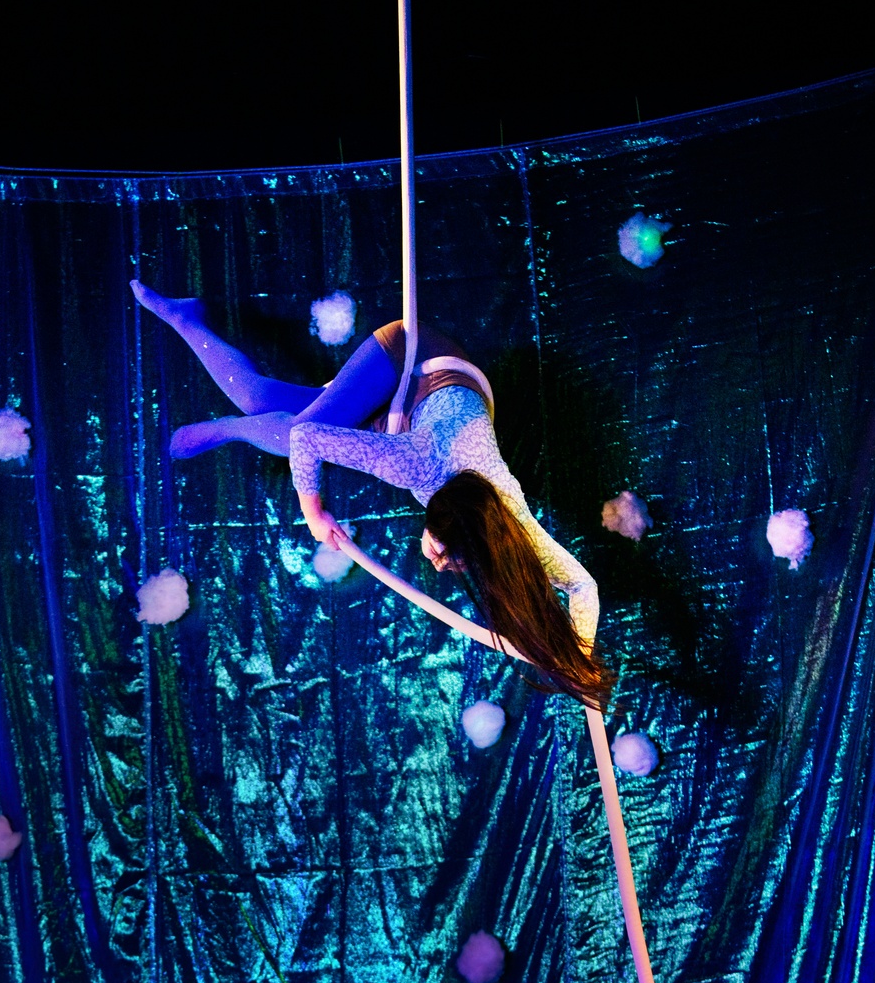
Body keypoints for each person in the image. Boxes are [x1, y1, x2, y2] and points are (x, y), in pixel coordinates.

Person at [131, 281, 610, 707]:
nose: (438, 562)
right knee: (288, 432)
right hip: (412, 362)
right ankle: (230, 429)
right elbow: (306, 440)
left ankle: (187, 318)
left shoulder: (511, 520)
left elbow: (583, 587)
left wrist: (580, 657)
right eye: (445, 553)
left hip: (407, 415)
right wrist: (314, 514)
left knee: (258, 397)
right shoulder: (414, 464)